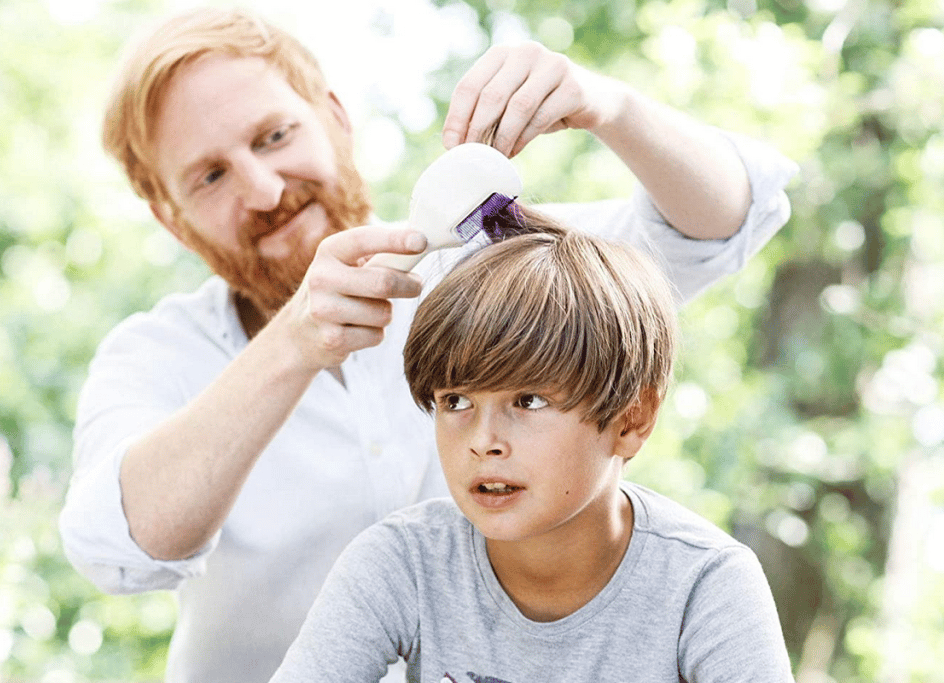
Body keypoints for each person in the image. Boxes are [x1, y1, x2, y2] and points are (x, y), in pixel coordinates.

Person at [58, 6, 798, 683]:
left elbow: (725, 225)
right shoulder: (156, 355)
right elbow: (116, 548)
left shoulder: (498, 279)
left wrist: (609, 106)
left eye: (274, 136)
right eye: (211, 174)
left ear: (335, 119)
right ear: (170, 218)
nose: (262, 188)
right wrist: (293, 344)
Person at [269, 213, 795, 682]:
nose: (483, 442)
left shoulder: (705, 584)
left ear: (631, 420)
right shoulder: (403, 562)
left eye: (530, 400)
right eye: (455, 401)